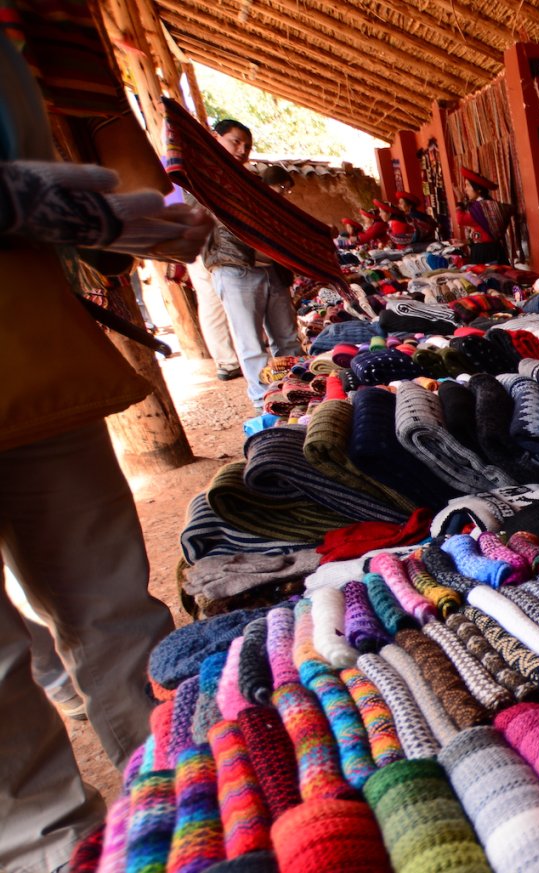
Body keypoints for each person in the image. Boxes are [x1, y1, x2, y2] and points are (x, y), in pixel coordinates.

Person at [1, 33, 210, 871]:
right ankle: (59, 852)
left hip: (33, 356)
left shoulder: (31, 32)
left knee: (118, 615)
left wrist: (104, 223)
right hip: (33, 353)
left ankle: (180, 801)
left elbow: (97, 159)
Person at [201, 118, 302, 410]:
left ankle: (295, 393)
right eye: (235, 142)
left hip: (273, 270)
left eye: (247, 146)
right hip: (235, 269)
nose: (242, 150)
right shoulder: (201, 182)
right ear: (215, 138)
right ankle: (265, 403)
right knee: (251, 344)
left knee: (287, 339)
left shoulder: (254, 185)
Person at [456, 167, 514, 264]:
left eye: (468, 185)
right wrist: (468, 241)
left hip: (483, 252)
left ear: (478, 190)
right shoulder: (492, 205)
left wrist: (459, 201)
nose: (465, 189)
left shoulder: (479, 208)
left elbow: (460, 219)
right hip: (496, 249)